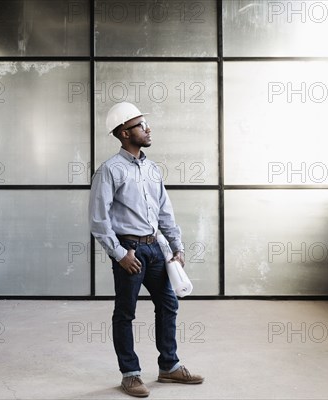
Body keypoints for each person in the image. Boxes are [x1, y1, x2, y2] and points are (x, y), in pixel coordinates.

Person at [89, 102, 204, 397]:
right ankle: (130, 374)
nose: (148, 128)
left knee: (168, 305)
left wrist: (176, 247)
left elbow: (165, 211)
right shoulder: (109, 171)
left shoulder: (152, 168)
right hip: (130, 253)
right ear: (125, 133)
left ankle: (169, 367)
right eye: (141, 125)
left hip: (157, 251)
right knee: (125, 313)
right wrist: (119, 254)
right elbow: (99, 219)